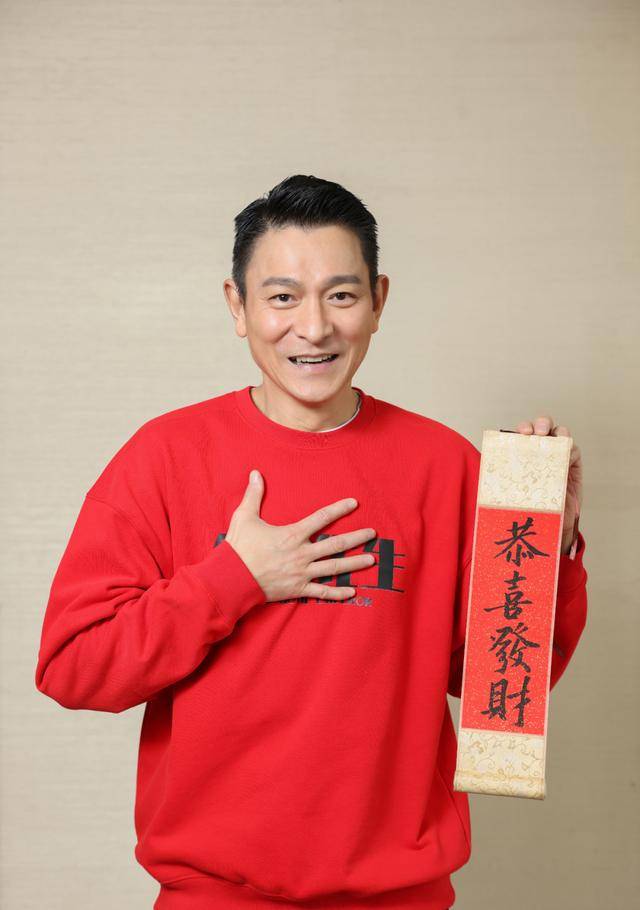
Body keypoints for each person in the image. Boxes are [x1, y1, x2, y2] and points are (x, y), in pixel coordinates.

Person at [34, 175, 587, 910]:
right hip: (215, 894)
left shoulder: (447, 466)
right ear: (238, 306)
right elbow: (74, 668)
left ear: (378, 301)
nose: (315, 327)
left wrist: (547, 543)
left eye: (342, 295)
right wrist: (234, 579)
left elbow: (497, 691)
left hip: (401, 893)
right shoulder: (165, 457)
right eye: (283, 297)